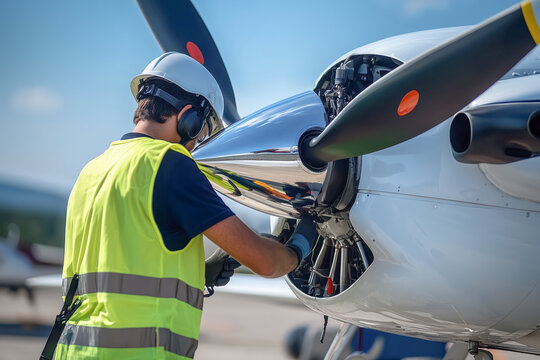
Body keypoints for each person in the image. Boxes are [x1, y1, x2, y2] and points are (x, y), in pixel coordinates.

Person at [46, 52, 318, 360]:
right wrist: (299, 247)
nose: (198, 142)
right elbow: (265, 263)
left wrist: (199, 272)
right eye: (202, 131)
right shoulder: (169, 164)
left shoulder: (92, 170)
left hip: (74, 351)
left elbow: (120, 261)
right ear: (190, 118)